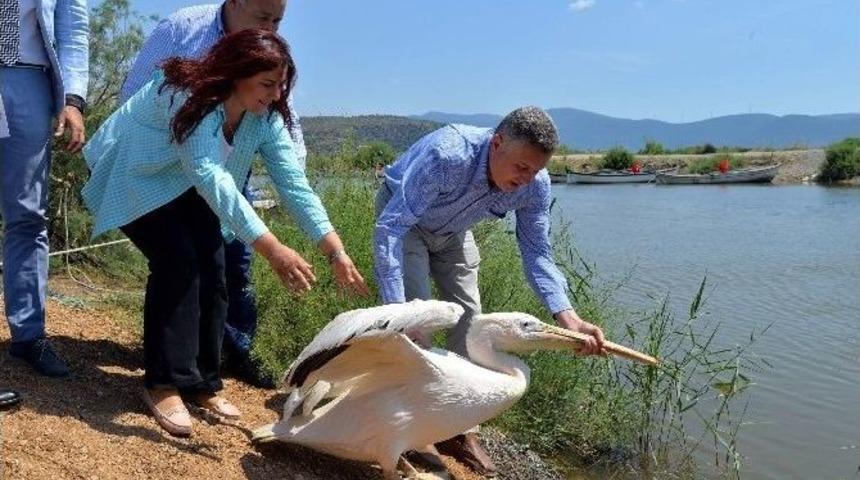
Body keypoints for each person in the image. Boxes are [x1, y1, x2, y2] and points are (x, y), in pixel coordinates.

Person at [82, 29, 369, 437]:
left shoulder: (264, 119)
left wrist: (334, 250)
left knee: (213, 266)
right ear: (237, 73)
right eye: (267, 84)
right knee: (177, 260)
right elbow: (208, 174)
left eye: (280, 85)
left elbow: (293, 184)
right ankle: (162, 384)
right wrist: (273, 249)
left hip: (181, 181)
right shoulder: (191, 97)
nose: (275, 95)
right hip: (135, 173)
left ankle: (200, 381)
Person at [373, 106, 606, 476]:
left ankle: (460, 429)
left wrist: (569, 319)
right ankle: (417, 431)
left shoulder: (535, 184)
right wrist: (398, 312)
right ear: (497, 143)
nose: (527, 180)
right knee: (419, 323)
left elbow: (537, 252)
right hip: (406, 223)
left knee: (471, 322)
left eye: (536, 171)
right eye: (521, 167)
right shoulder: (447, 155)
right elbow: (391, 228)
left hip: (453, 232)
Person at [120, 0, 303, 388]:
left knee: (224, 263)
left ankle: (217, 362)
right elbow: (134, 95)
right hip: (163, 166)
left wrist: (329, 244)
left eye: (277, 20)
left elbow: (284, 133)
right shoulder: (183, 29)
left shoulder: (267, 63)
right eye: (263, 17)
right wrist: (275, 250)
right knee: (179, 259)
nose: (270, 28)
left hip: (224, 164)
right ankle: (168, 377)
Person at [0, 0, 88, 377]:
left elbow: (73, 27)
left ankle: (28, 335)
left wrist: (73, 99)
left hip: (29, 78)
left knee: (27, 214)